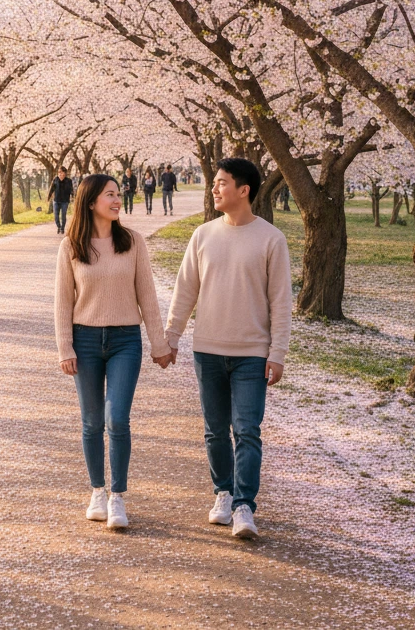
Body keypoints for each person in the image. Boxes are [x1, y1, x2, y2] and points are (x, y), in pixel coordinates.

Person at [164, 158, 292, 541]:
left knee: (247, 430)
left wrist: (278, 353)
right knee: (215, 431)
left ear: (244, 190)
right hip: (208, 350)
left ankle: (244, 506)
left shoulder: (272, 239)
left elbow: (281, 303)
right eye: (214, 183)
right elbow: (185, 291)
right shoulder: (203, 236)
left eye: (221, 183)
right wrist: (171, 338)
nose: (215, 189)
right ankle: (223, 492)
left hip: (253, 353)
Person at [55, 174, 173, 531]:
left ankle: (117, 496)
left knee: (117, 419)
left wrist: (160, 344)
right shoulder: (71, 246)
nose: (117, 200)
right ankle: (97, 491)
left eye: (118, 195)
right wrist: (65, 347)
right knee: (92, 422)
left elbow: (147, 298)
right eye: (110, 195)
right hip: (85, 340)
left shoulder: (133, 242)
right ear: (91, 202)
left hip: (125, 340)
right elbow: (63, 301)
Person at [48, 166, 75, 234]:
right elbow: (51, 189)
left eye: (61, 172)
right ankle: (59, 227)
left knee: (63, 215)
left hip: (65, 201)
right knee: (56, 216)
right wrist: (48, 197)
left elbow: (71, 190)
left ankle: (62, 228)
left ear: (65, 173)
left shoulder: (69, 181)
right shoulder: (55, 180)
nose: (60, 174)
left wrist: (73, 197)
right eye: (59, 172)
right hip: (56, 200)